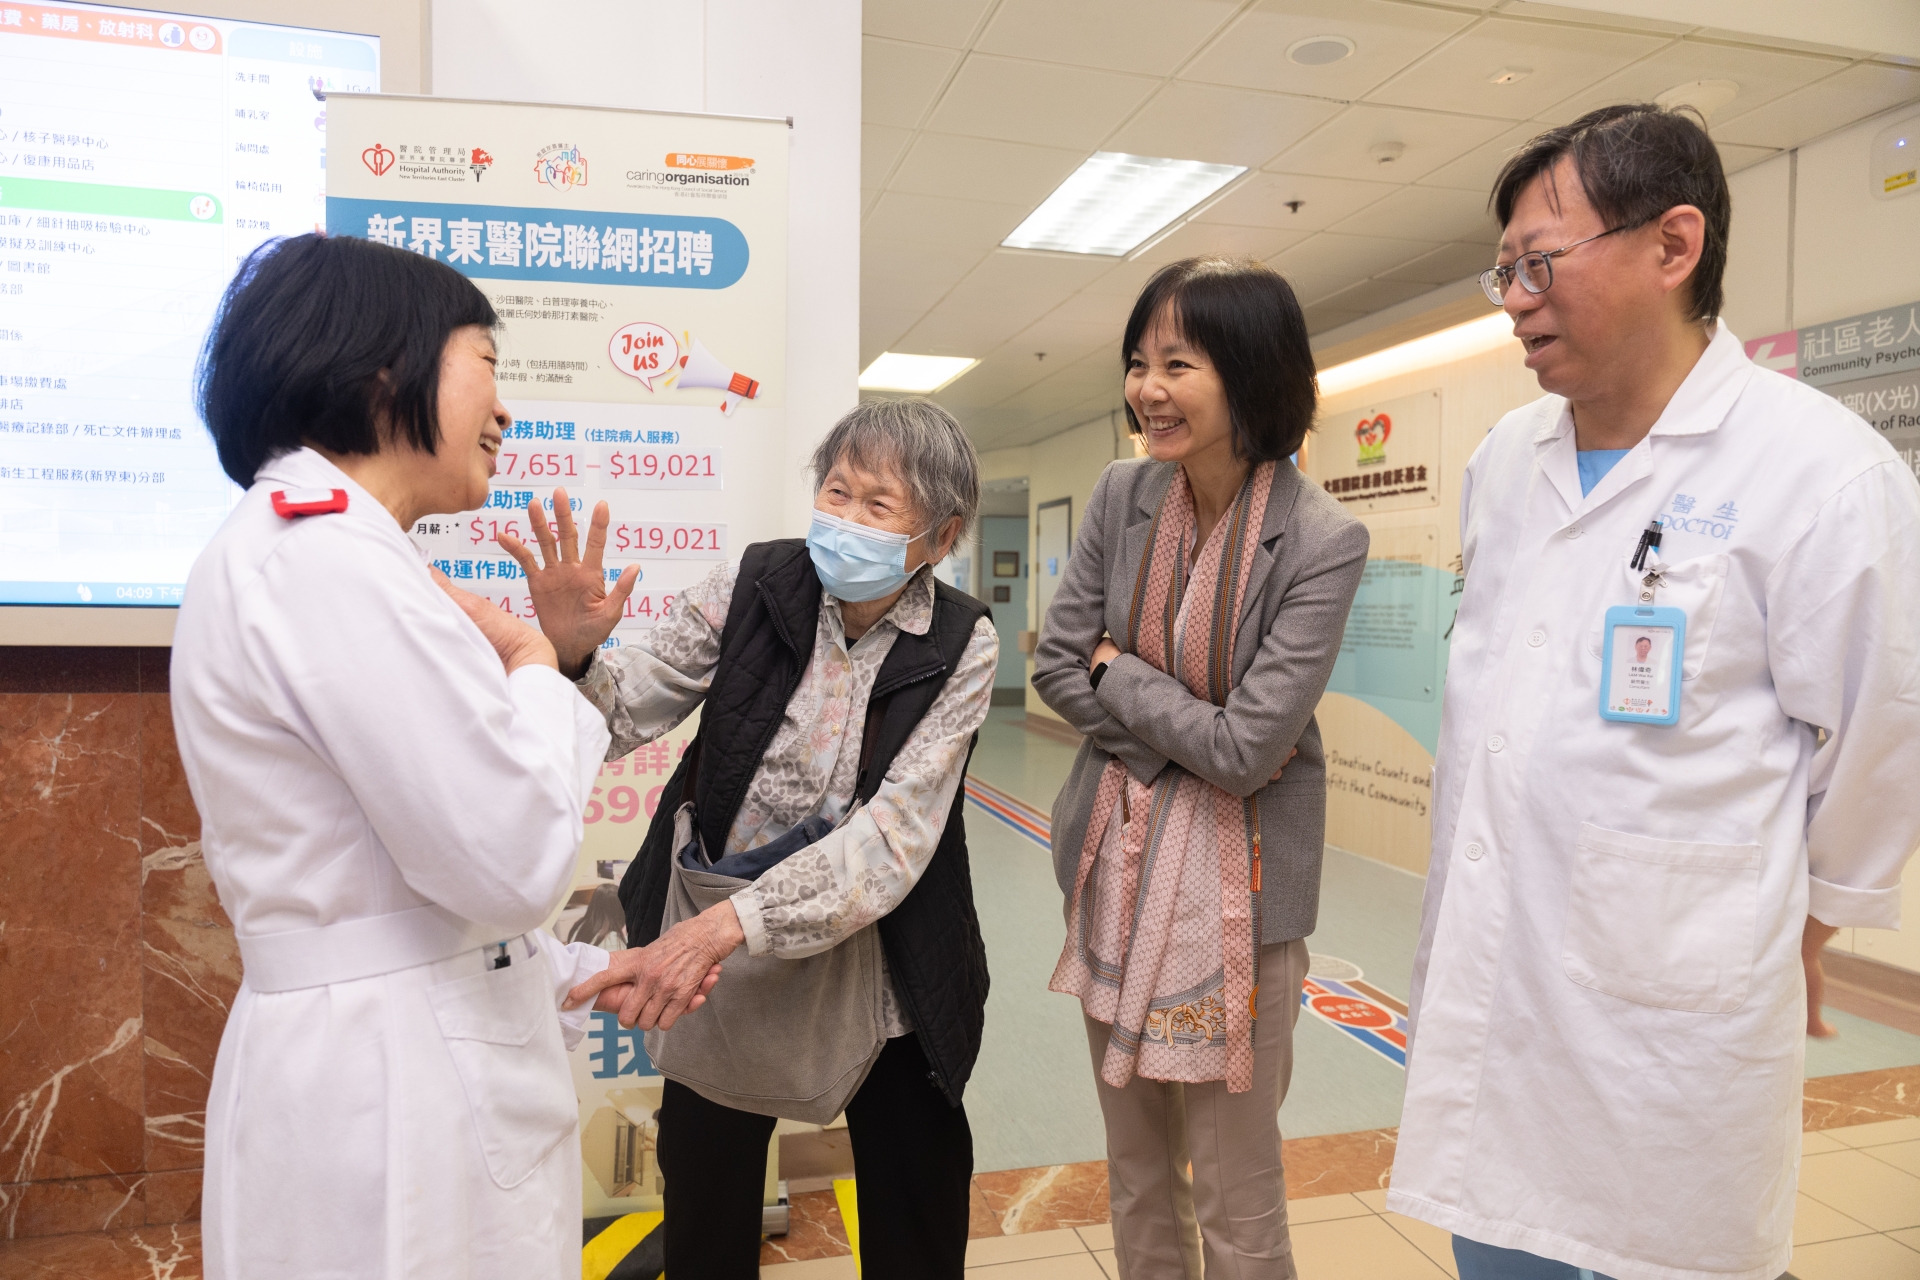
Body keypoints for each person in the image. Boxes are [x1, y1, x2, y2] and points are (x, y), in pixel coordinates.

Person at [1389, 104, 1920, 1280]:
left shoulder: (1820, 474)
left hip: (1674, 1042)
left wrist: (1807, 916)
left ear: (1674, 246)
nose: (1516, 298)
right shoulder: (1505, 460)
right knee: (1504, 1247)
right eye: (1505, 271)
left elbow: (1879, 748)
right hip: (1502, 1009)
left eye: (1540, 262)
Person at [172, 234, 642, 1278]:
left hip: (380, 1053)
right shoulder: (325, 556)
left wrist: (581, 968)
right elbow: (510, 856)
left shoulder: (307, 547)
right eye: (486, 361)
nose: (506, 409)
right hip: (394, 1092)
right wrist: (529, 659)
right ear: (386, 370)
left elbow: (394, 868)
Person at [514, 399, 998, 1280]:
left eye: (877, 506)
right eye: (836, 491)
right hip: (720, 960)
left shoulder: (964, 641)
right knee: (705, 1202)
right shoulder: (754, 585)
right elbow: (620, 715)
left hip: (885, 958)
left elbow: (891, 840)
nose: (843, 519)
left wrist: (715, 931)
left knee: (917, 1205)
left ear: (941, 534)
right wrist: (575, 657)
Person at [1033, 257, 1369, 1279]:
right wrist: (1192, 744)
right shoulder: (1122, 495)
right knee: (1135, 1169)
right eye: (1139, 363)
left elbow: (1252, 747)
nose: (1148, 389)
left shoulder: (1321, 539)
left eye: (1178, 362)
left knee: (1237, 1191)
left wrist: (1122, 676)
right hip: (1112, 877)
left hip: (1244, 902)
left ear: (1254, 373)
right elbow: (1056, 659)